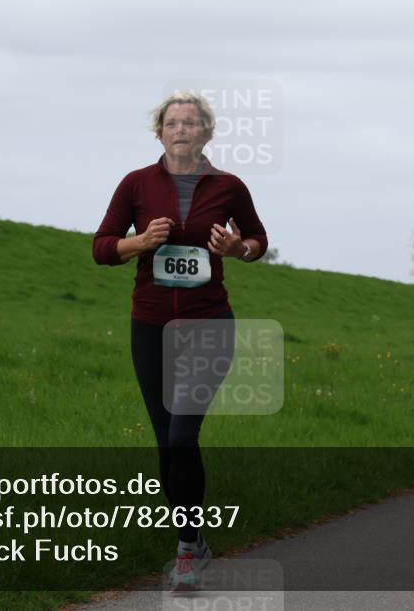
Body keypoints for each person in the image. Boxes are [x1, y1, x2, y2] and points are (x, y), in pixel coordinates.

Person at [92, 91, 268, 592]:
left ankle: (187, 551)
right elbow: (101, 247)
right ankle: (194, 538)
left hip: (209, 325)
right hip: (150, 327)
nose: (181, 130)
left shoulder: (229, 186)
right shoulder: (136, 184)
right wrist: (140, 242)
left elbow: (258, 239)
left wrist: (238, 248)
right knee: (166, 443)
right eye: (172, 123)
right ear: (160, 132)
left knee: (182, 436)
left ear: (206, 133)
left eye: (191, 123)